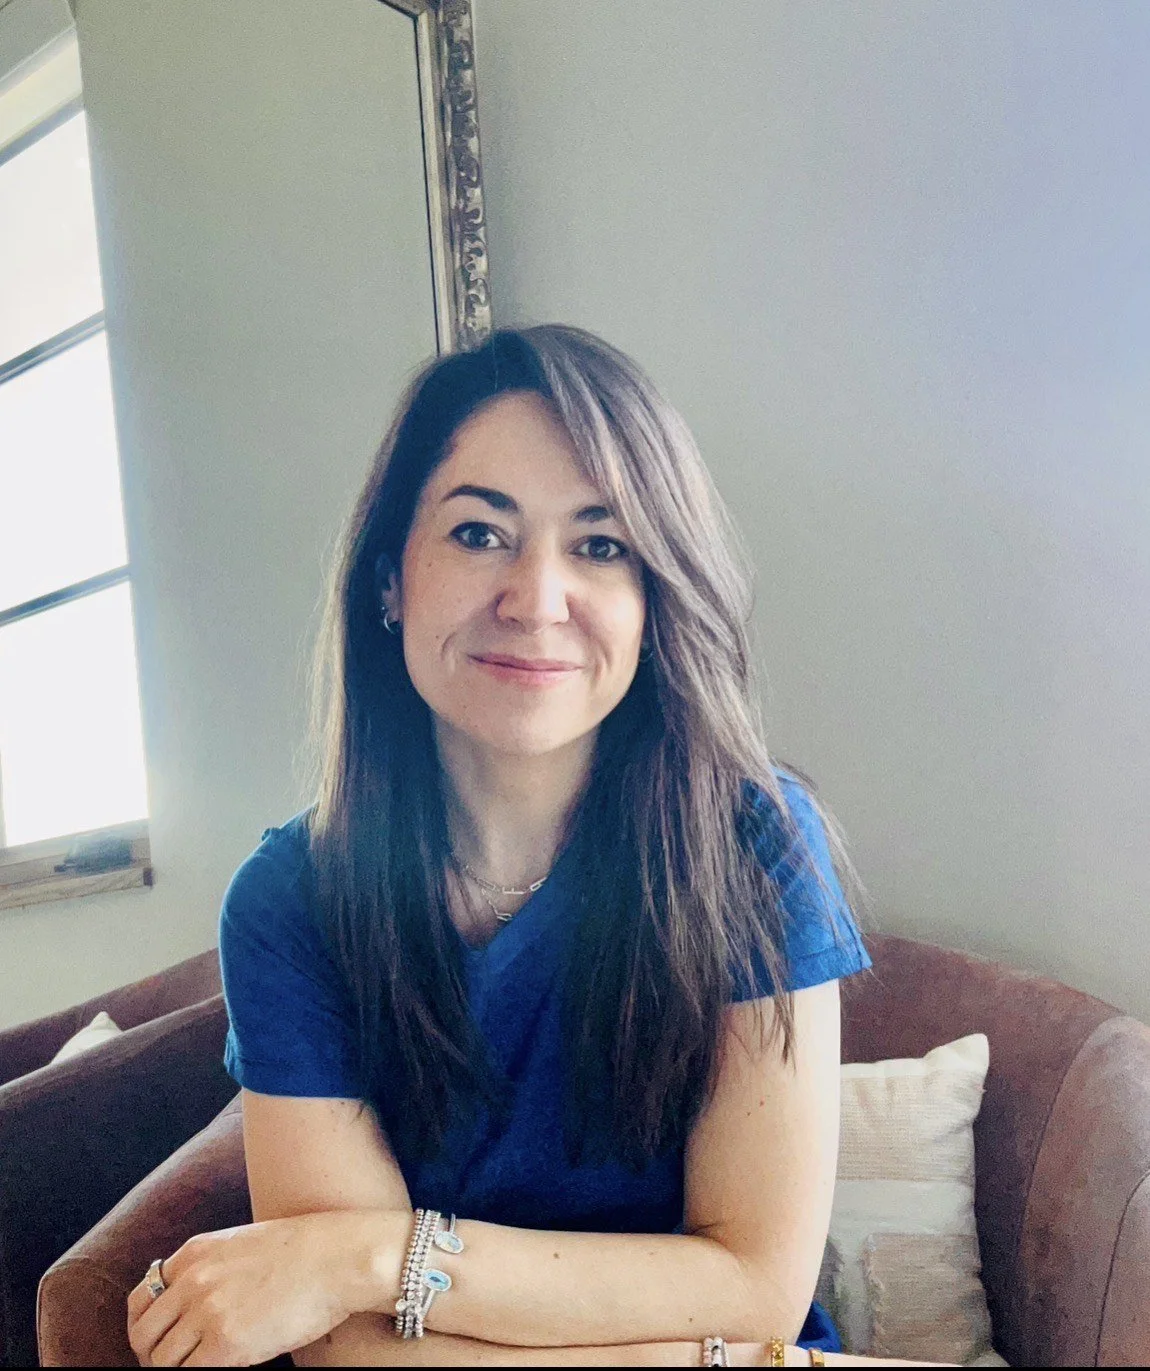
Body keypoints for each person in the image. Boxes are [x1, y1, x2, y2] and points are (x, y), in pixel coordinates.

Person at [125, 325, 950, 1368]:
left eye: (601, 546)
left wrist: (366, 1259)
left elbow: (757, 1288)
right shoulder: (290, 903)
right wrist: (698, 1354)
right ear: (389, 581)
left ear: (654, 602)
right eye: (479, 534)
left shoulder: (752, 841)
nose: (537, 598)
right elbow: (351, 1355)